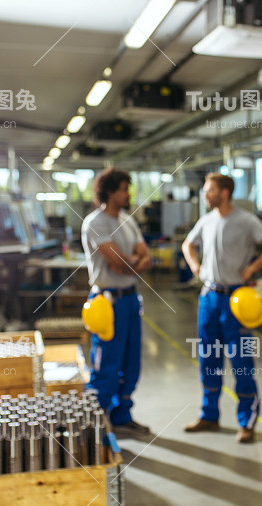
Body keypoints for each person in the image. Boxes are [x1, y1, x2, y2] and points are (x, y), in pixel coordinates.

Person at [182, 173, 262, 443]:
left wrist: (252, 267)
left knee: (241, 362)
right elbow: (187, 245)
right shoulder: (206, 221)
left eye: (210, 190)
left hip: (236, 300)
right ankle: (209, 415)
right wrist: (196, 267)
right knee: (208, 359)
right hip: (209, 297)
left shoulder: (246, 221)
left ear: (224, 193)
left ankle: (247, 421)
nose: (206, 195)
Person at [82, 167, 152, 433]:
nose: (128, 195)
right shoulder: (95, 223)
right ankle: (96, 424)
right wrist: (133, 261)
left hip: (130, 299)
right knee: (106, 365)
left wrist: (132, 262)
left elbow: (143, 257)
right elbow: (118, 264)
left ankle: (122, 416)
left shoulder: (128, 220)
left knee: (131, 363)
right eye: (124, 189)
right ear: (110, 192)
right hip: (106, 303)